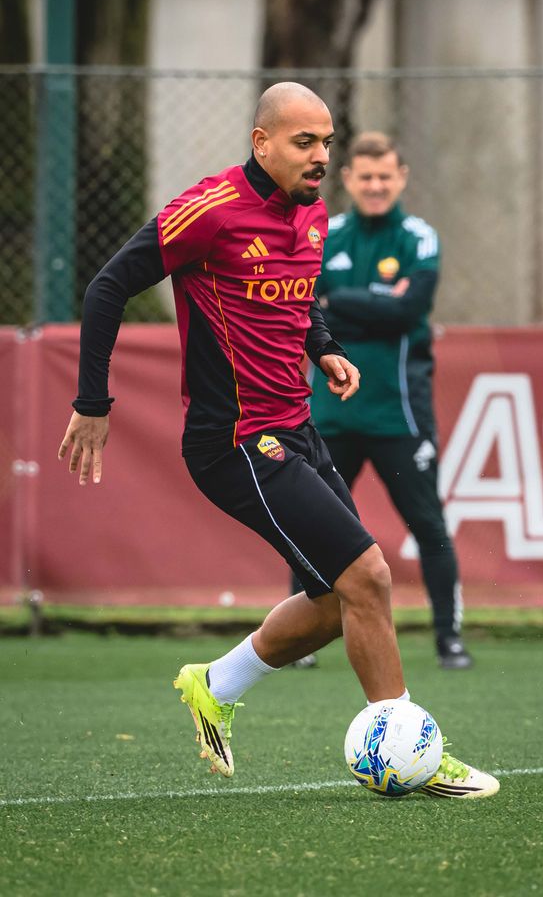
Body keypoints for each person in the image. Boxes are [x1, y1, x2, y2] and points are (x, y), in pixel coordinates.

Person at [58, 83, 498, 799]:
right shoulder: (211, 210)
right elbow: (108, 286)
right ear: (262, 142)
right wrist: (91, 402)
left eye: (327, 141)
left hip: (295, 424)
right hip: (235, 439)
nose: (321, 156)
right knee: (371, 579)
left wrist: (322, 346)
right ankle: (414, 752)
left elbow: (304, 291)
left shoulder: (314, 211)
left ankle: (215, 684)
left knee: (335, 600)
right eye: (305, 142)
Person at [294, 131, 472, 671]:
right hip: (331, 412)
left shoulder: (419, 237)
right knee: (308, 521)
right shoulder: (325, 232)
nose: (375, 186)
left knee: (428, 525)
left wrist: (341, 300)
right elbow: (305, 307)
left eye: (384, 177)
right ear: (347, 179)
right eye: (365, 177)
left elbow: (408, 308)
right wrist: (376, 302)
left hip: (399, 413)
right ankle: (301, 644)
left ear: (401, 178)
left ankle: (450, 639)